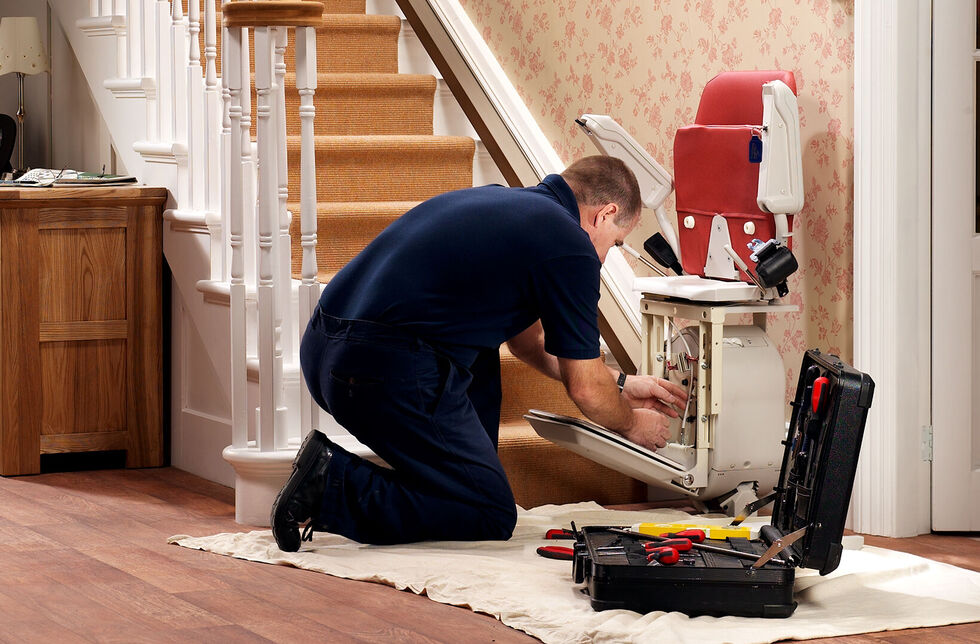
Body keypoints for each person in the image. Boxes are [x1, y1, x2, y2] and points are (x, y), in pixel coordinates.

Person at [271, 155, 688, 550]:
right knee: (488, 512)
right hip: (380, 368)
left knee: (482, 355)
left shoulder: (506, 206)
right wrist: (632, 423)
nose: (604, 257)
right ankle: (329, 482)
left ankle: (460, 480)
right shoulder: (571, 245)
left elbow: (527, 345)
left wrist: (620, 383)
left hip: (326, 352)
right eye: (614, 244)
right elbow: (585, 390)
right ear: (605, 214)